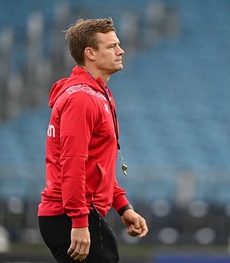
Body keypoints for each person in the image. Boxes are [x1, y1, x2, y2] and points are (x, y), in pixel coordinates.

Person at [38, 18, 148, 262]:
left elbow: (99, 164)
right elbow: (73, 162)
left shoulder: (99, 94)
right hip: (72, 215)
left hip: (81, 212)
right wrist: (78, 222)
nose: (121, 51)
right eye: (111, 46)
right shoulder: (82, 99)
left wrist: (123, 206)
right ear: (90, 53)